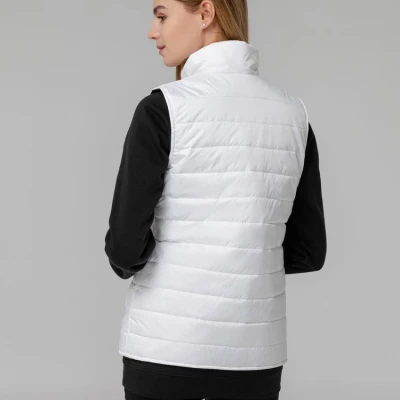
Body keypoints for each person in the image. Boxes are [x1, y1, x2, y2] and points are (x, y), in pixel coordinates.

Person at [104, 1, 327, 399]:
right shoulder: (295, 116)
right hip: (255, 357)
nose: (152, 31)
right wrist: (247, 260)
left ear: (206, 13)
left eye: (161, 15)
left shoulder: (162, 108)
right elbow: (309, 252)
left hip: (165, 349)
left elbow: (124, 248)